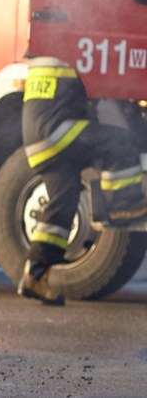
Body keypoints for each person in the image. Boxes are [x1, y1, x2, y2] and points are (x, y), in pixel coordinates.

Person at [18, 56, 147, 305]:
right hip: (58, 131)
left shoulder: (45, 55)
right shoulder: (74, 48)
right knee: (118, 142)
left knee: (63, 202)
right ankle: (123, 206)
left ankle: (35, 275)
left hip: (38, 137)